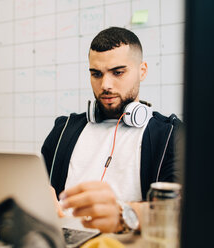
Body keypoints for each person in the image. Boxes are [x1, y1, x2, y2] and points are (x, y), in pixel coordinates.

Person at [41, 27, 182, 233]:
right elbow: (36, 185)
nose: (105, 85)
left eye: (118, 72)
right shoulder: (64, 129)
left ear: (142, 71)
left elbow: (183, 209)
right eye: (96, 74)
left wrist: (124, 214)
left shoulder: (171, 135)